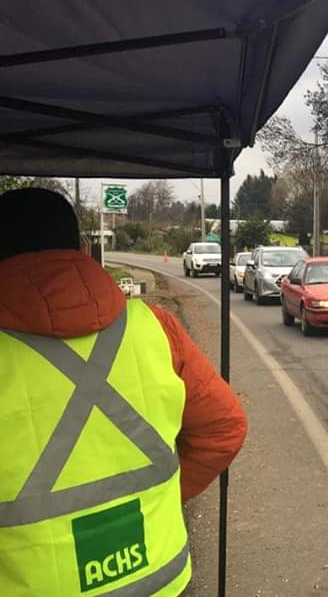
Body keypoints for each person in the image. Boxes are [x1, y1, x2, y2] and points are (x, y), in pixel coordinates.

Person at [0, 188, 248, 596]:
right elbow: (224, 429)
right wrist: (157, 500)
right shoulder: (154, 327)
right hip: (160, 577)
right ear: (81, 247)